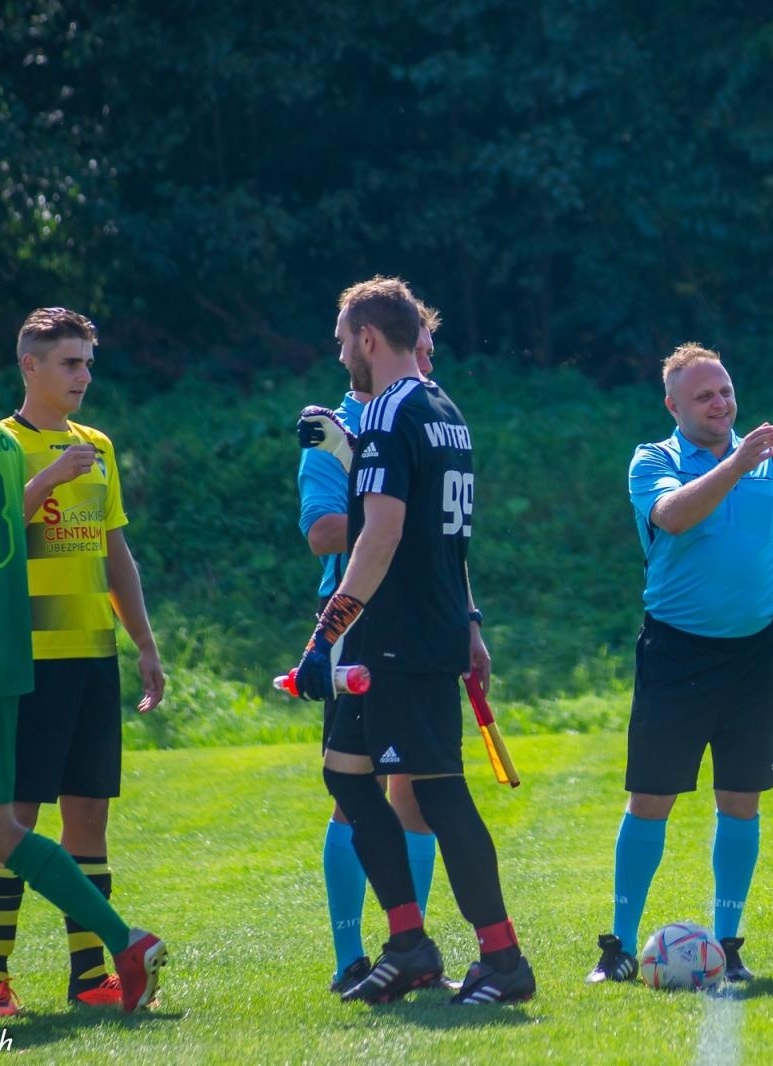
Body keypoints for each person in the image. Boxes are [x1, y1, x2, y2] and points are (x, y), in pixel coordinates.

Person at [0, 302, 165, 1028]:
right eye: (70, 361)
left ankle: (90, 969)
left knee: (30, 825)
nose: (83, 375)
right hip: (10, 665)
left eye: (87, 361)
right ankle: (105, 948)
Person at [292, 277, 534, 1006]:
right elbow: (447, 541)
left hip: (394, 638)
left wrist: (321, 635)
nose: (342, 357)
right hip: (403, 634)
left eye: (343, 342)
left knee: (438, 796)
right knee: (346, 776)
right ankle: (409, 946)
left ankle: (504, 959)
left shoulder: (393, 412)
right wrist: (468, 623)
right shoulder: (442, 408)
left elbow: (382, 536)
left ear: (368, 337)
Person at [586, 344, 773, 985]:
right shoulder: (654, 459)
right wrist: (735, 462)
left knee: (742, 801)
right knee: (650, 800)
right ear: (673, 406)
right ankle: (617, 948)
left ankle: (728, 944)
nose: (720, 403)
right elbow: (674, 517)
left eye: (725, 390)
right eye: (703, 396)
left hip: (754, 654)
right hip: (676, 651)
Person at [297, 304, 440, 996]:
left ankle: (410, 950)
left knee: (417, 793)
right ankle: (350, 957)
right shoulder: (333, 432)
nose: (427, 366)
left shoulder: (429, 419)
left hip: (426, 625)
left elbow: (443, 534)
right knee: (351, 792)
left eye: (432, 352)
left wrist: (469, 622)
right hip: (358, 627)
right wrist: (355, 463)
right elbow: (327, 532)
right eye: (419, 350)